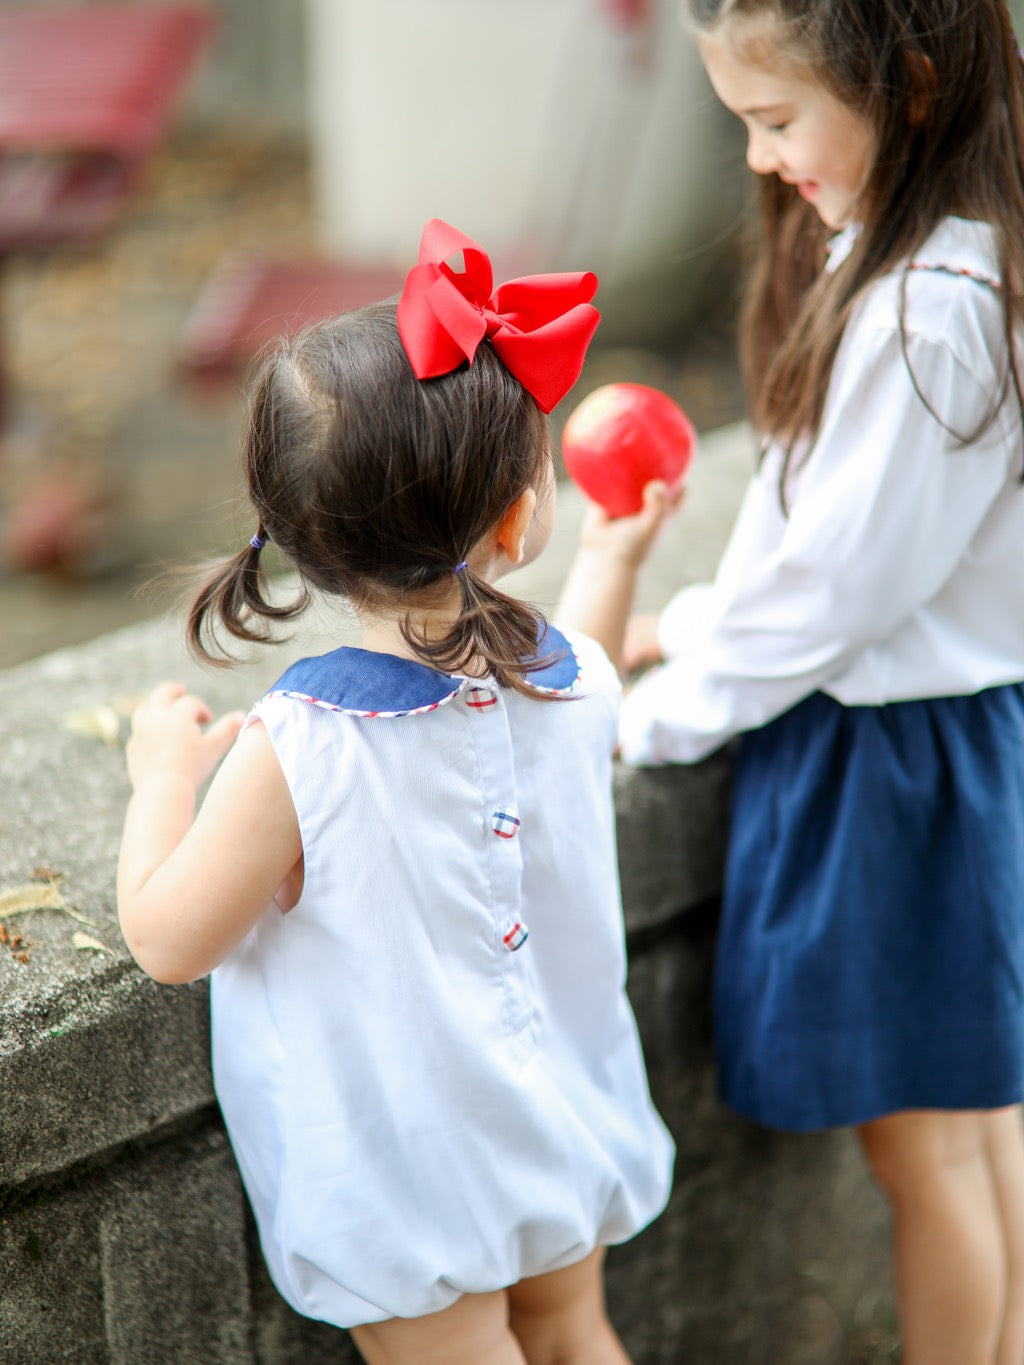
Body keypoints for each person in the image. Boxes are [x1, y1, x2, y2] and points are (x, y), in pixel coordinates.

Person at [116, 218, 675, 1365]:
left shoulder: (302, 745)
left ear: (299, 537)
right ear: (520, 518)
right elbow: (592, 687)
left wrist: (161, 780)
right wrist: (614, 559)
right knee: (577, 1335)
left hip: (412, 1171)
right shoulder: (569, 675)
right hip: (559, 1109)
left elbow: (170, 940)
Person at [568, 1, 1024, 1360]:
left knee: (927, 1155)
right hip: (946, 738)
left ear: (917, 88)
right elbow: (860, 553)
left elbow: (836, 593)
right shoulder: (961, 268)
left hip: (889, 766)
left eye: (777, 122)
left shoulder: (921, 317)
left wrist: (660, 716)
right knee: (980, 1125)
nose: (763, 160)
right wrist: (702, 621)